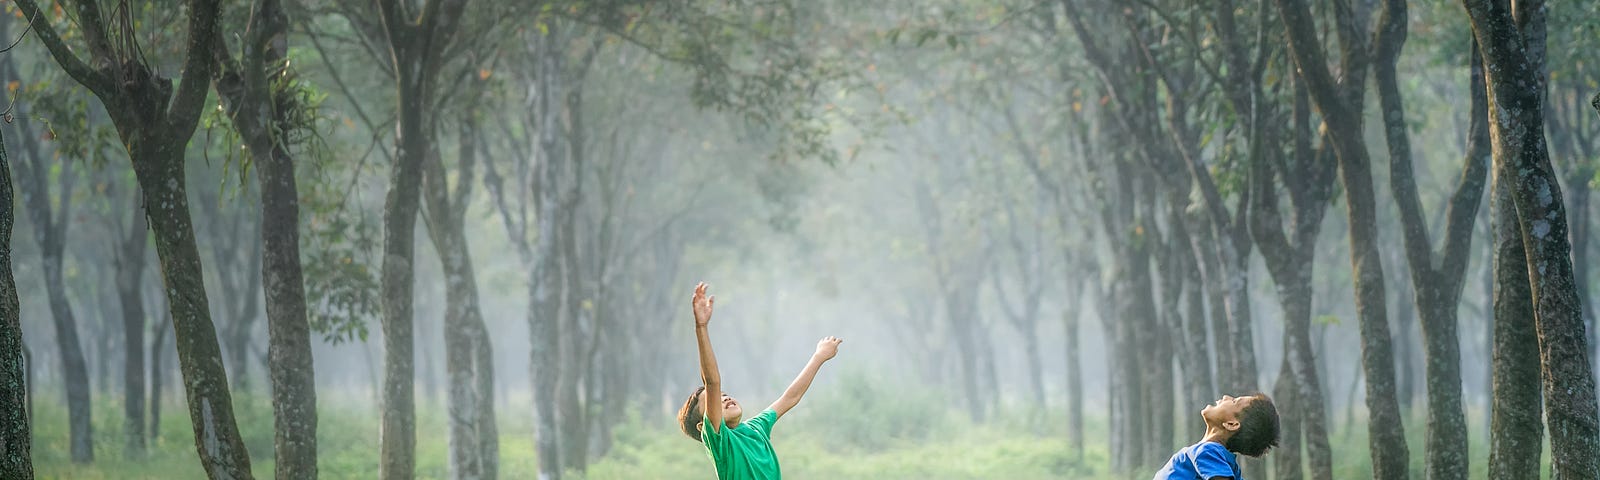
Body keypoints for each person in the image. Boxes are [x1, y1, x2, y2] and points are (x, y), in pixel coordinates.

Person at [676, 282, 842, 480]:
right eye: (713, 401)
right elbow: (712, 382)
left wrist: (818, 357)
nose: (724, 398)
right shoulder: (721, 444)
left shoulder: (756, 427)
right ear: (703, 427)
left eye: (724, 394)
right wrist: (701, 327)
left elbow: (790, 397)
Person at [1153, 393, 1280, 480]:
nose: (1226, 397)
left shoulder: (1208, 452)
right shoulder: (1225, 461)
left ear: (1231, 424)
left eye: (1234, 401)